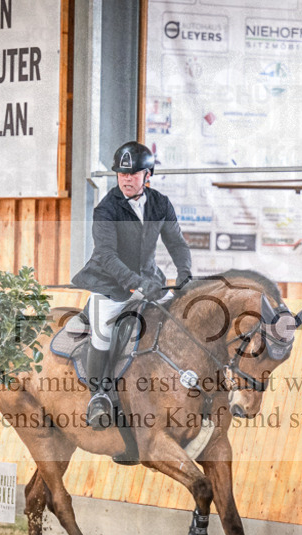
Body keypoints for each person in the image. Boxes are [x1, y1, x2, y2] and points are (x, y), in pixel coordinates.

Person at [71, 141, 192, 429]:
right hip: (110, 283)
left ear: (147, 176)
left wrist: (185, 273)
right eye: (121, 174)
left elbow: (176, 243)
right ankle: (98, 396)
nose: (125, 179)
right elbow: (106, 256)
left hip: (150, 281)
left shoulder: (160, 203)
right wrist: (136, 283)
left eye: (132, 174)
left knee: (177, 323)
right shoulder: (106, 209)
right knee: (104, 331)